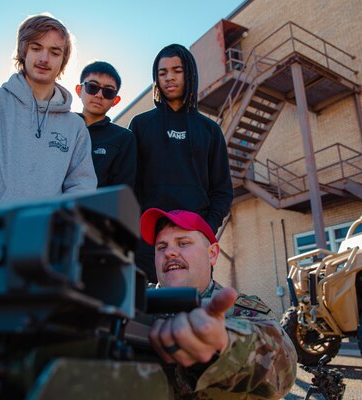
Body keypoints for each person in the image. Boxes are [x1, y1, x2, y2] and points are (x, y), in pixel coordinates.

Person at [141, 208, 297, 399]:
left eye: (183, 243)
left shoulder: (242, 309)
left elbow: (284, 367)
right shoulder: (133, 304)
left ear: (213, 254)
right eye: (161, 247)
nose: (170, 253)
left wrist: (223, 345)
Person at [0, 14, 96, 208]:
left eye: (54, 52)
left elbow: (81, 188)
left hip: (47, 235)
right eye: (36, 48)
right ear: (23, 51)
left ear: (63, 60)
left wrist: (62, 234)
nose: (44, 58)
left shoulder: (75, 127)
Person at [129, 44, 233, 282]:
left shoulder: (209, 130)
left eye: (177, 70)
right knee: (149, 314)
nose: (169, 77)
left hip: (195, 239)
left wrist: (205, 229)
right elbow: (131, 187)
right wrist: (140, 232)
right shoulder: (141, 125)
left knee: (194, 310)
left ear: (190, 74)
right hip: (151, 241)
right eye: (162, 72)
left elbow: (222, 191)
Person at [75, 61, 136, 188]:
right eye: (92, 87)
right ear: (79, 90)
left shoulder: (124, 138)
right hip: (52, 206)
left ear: (115, 100)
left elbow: (122, 192)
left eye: (108, 91)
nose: (99, 95)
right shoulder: (61, 126)